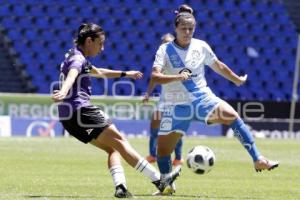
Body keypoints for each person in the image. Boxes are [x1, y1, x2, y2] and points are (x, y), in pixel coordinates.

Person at [150, 4, 279, 194]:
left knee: (232, 116)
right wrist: (177, 77)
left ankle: (258, 159)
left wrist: (236, 79)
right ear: (175, 28)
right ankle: (167, 185)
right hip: (175, 106)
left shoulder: (201, 46)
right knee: (162, 152)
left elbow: (218, 65)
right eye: (183, 29)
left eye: (191, 29)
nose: (187, 32)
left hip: (202, 99)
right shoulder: (165, 50)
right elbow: (155, 76)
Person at [51, 23, 180, 198]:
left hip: (67, 118)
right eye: (100, 43)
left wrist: (126, 74)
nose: (102, 48)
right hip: (81, 110)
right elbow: (73, 75)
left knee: (113, 149)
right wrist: (65, 90)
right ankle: (160, 180)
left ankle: (121, 188)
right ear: (89, 41)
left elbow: (98, 72)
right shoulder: (78, 59)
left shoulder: (73, 54)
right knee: (121, 141)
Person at [143, 33, 184, 166]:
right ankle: (152, 155)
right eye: (164, 42)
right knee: (154, 125)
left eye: (168, 42)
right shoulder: (160, 60)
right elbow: (154, 78)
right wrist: (148, 94)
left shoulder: (180, 60)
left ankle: (178, 158)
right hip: (164, 100)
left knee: (176, 130)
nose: (166, 44)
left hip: (178, 99)